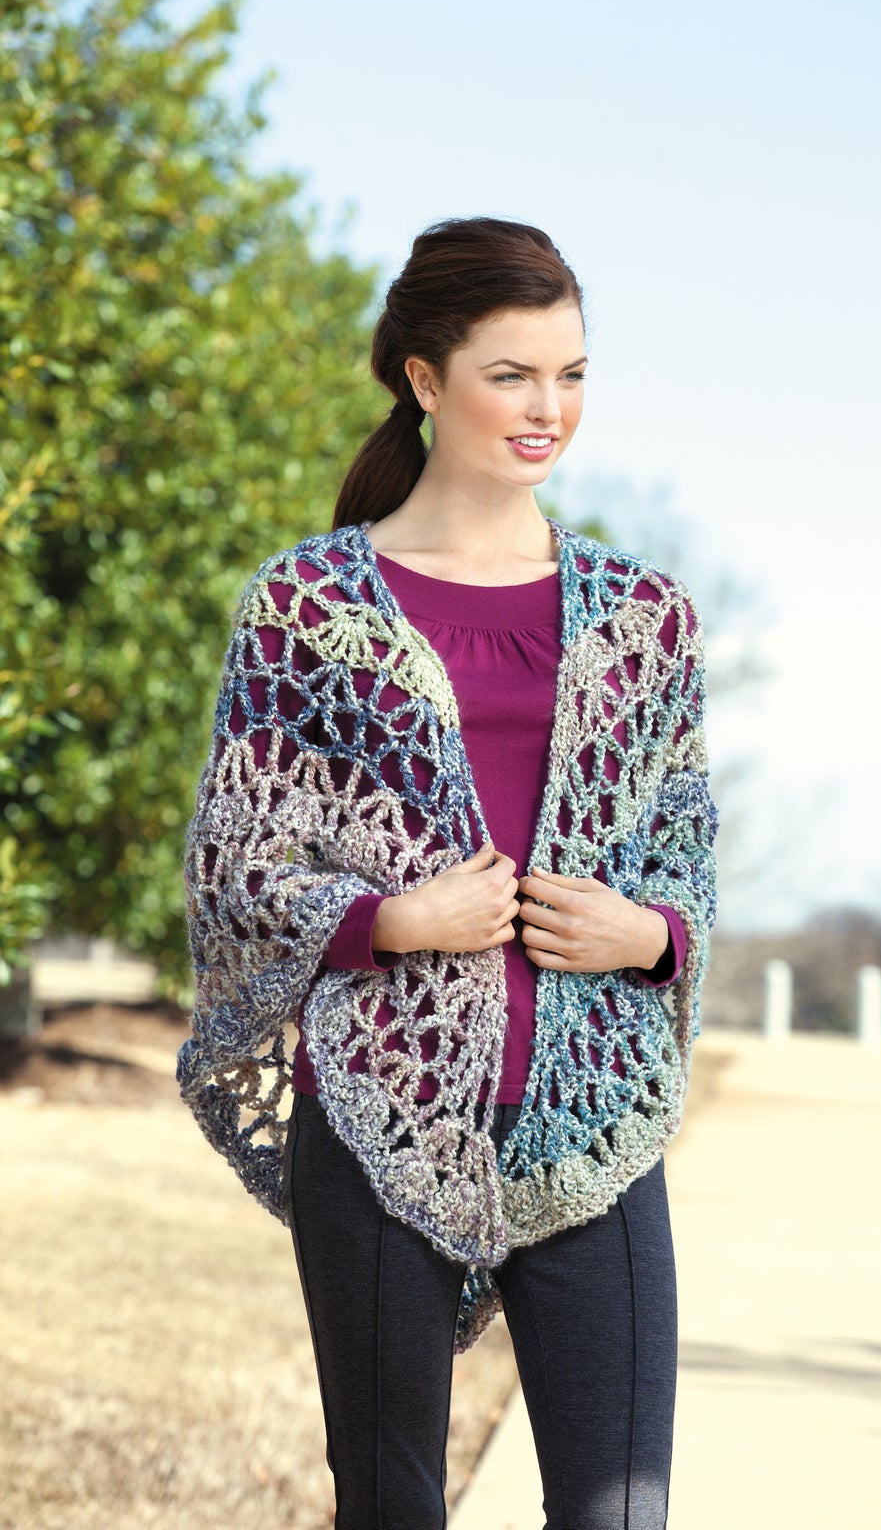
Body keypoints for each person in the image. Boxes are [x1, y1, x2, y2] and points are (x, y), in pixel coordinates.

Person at [177, 216, 719, 1530]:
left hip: (592, 1112)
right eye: (512, 375)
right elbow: (234, 872)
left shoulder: (644, 616)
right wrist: (389, 921)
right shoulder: (306, 606)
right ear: (425, 380)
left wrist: (644, 935)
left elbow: (686, 867)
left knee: (621, 1509)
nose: (550, 409)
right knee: (390, 1504)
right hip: (372, 1111)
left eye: (573, 374)